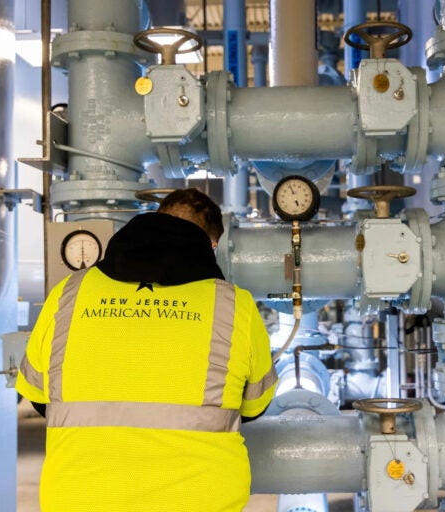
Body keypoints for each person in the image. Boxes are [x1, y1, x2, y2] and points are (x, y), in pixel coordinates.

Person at [16, 188, 278, 512]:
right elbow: (254, 406)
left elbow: (38, 395)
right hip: (201, 500)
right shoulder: (235, 306)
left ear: (155, 220)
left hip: (80, 498)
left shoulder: (68, 292)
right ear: (211, 245)